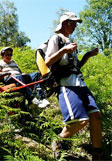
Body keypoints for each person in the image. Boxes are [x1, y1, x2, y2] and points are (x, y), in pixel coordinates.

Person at [44, 12, 102, 160]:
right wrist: (63, 50)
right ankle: (58, 141)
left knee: (95, 116)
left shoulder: (71, 41)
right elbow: (48, 61)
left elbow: (76, 66)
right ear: (65, 23)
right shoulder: (55, 38)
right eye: (73, 23)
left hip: (80, 83)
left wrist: (87, 55)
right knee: (81, 121)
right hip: (66, 84)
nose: (76, 25)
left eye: (76, 23)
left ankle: (97, 153)